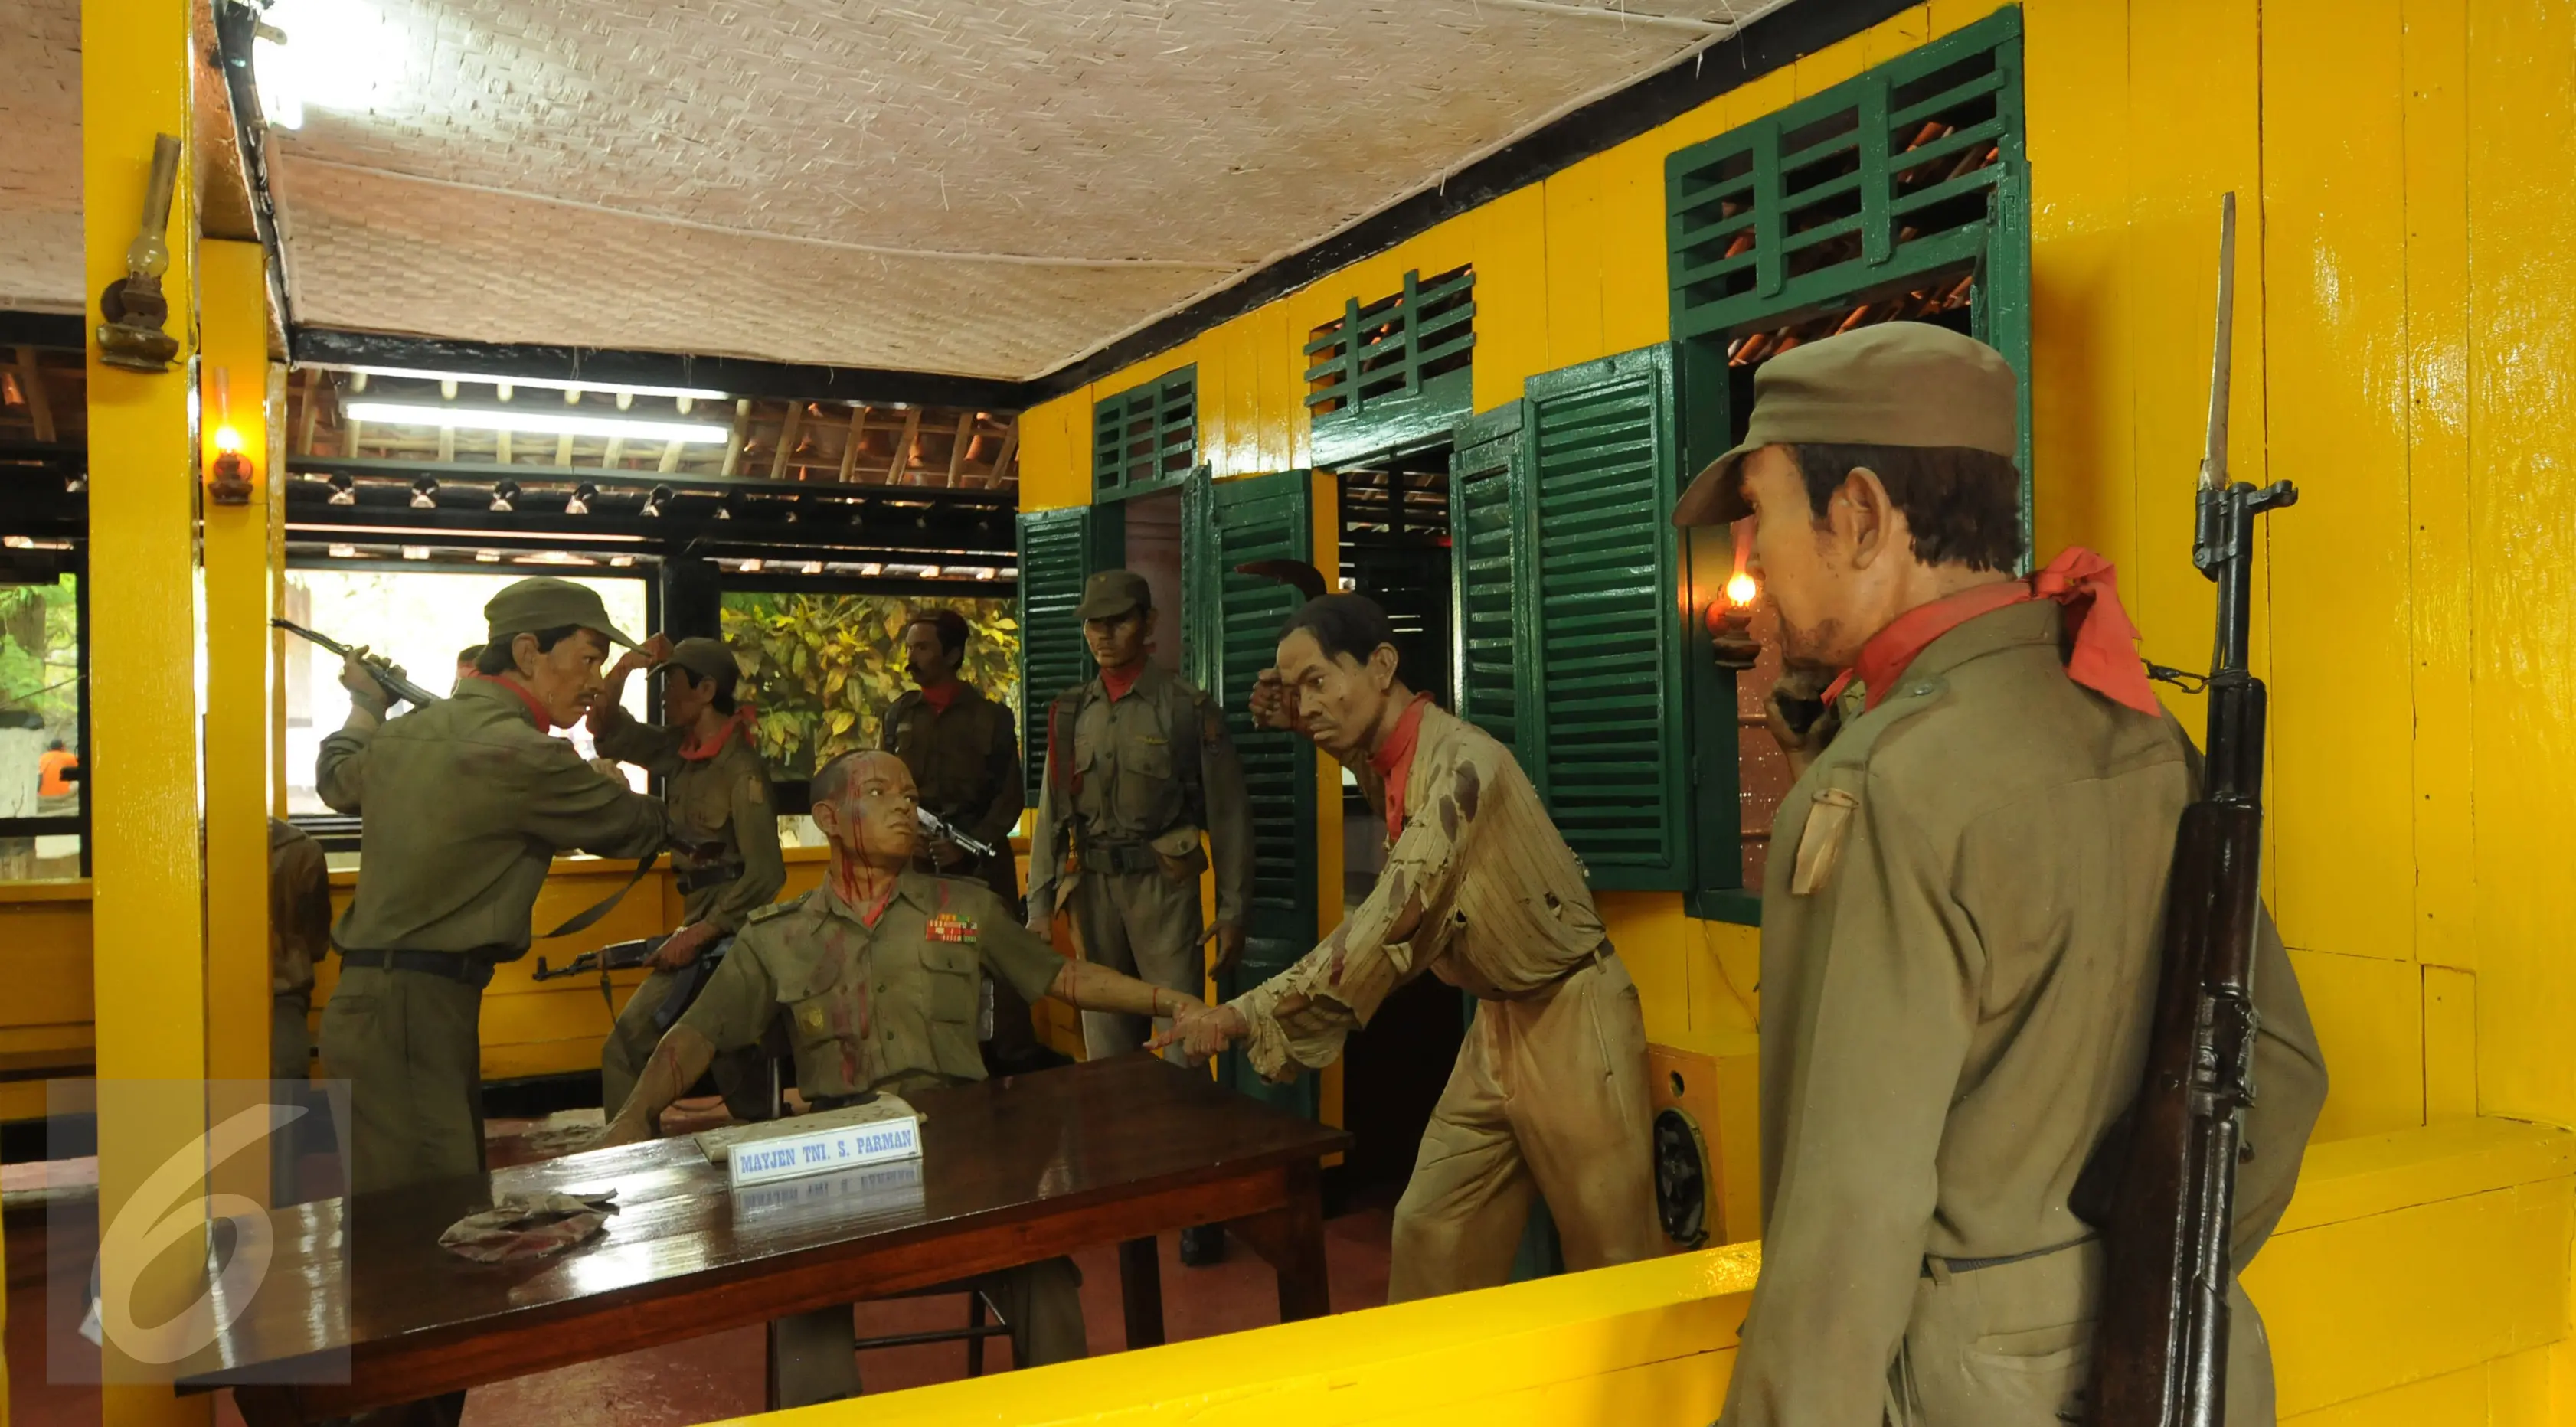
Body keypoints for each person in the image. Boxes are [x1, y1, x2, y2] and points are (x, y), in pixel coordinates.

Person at [1666, 322, 2328, 1426]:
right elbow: (2288, 1075)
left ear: (1865, 516)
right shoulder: (2146, 733)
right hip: (2191, 1360)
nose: (1752, 567)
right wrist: (2151, 1265)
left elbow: (1849, 1218)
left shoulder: (1888, 787)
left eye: (1764, 516)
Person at [597, 749, 1202, 1403]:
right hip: (840, 1165)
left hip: (965, 1153)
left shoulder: (966, 909)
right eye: (880, 792)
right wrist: (636, 1113)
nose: (904, 806)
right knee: (806, 1311)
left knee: (1046, 1283)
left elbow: (1063, 977)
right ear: (827, 818)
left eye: (910, 795)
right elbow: (698, 1033)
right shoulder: (780, 935)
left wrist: (1172, 1001)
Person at [1159, 594, 1661, 1300]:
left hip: (1573, 1014)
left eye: (1319, 682)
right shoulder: (1394, 756)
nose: (1305, 705)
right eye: (1292, 689)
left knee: (1618, 1266)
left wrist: (1241, 1014)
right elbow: (1370, 760)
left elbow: (1379, 929)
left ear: (1383, 665)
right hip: (1499, 1024)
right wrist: (1310, 722)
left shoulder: (1464, 769)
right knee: (1432, 1231)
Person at [315, 576, 666, 1196]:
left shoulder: (400, 734)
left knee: (402, 1218)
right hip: (415, 1014)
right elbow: (636, 830)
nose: (593, 681)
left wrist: (368, 704)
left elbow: (337, 779)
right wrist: (611, 781)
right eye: (588, 658)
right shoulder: (528, 754)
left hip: (376, 1006)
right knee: (433, 1226)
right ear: (530, 653)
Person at [1026, 569, 1251, 1264]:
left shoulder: (1185, 708)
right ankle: (1124, 1194)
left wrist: (1236, 907)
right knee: (1107, 1054)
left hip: (1162, 889)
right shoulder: (1071, 713)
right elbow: (1049, 817)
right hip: (1092, 889)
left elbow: (1230, 814)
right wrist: (1037, 909)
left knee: (1183, 1044)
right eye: (1092, 623)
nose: (1103, 634)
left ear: (1147, 625)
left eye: (1118, 621)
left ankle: (1197, 1203)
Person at [589, 635, 787, 1122]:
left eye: (672, 685)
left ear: (705, 690)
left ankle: (625, 1162)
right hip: (700, 922)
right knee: (730, 1055)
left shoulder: (742, 770)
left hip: (732, 935)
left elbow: (767, 874)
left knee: (628, 1046)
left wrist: (702, 932)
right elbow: (607, 731)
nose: (664, 697)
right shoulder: (678, 751)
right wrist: (623, 670)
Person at [879, 608, 1049, 1073]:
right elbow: (886, 784)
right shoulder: (899, 715)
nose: (911, 657)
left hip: (978, 860)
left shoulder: (990, 718)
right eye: (910, 646)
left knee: (997, 958)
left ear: (953, 654)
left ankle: (1013, 1062)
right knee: (916, 955)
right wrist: (904, 838)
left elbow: (1009, 797)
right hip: (917, 861)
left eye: (923, 647)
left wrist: (969, 842)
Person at [267, 817, 331, 1085]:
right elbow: (316, 939)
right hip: (287, 992)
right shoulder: (306, 851)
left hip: (217, 993)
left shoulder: (198, 849)